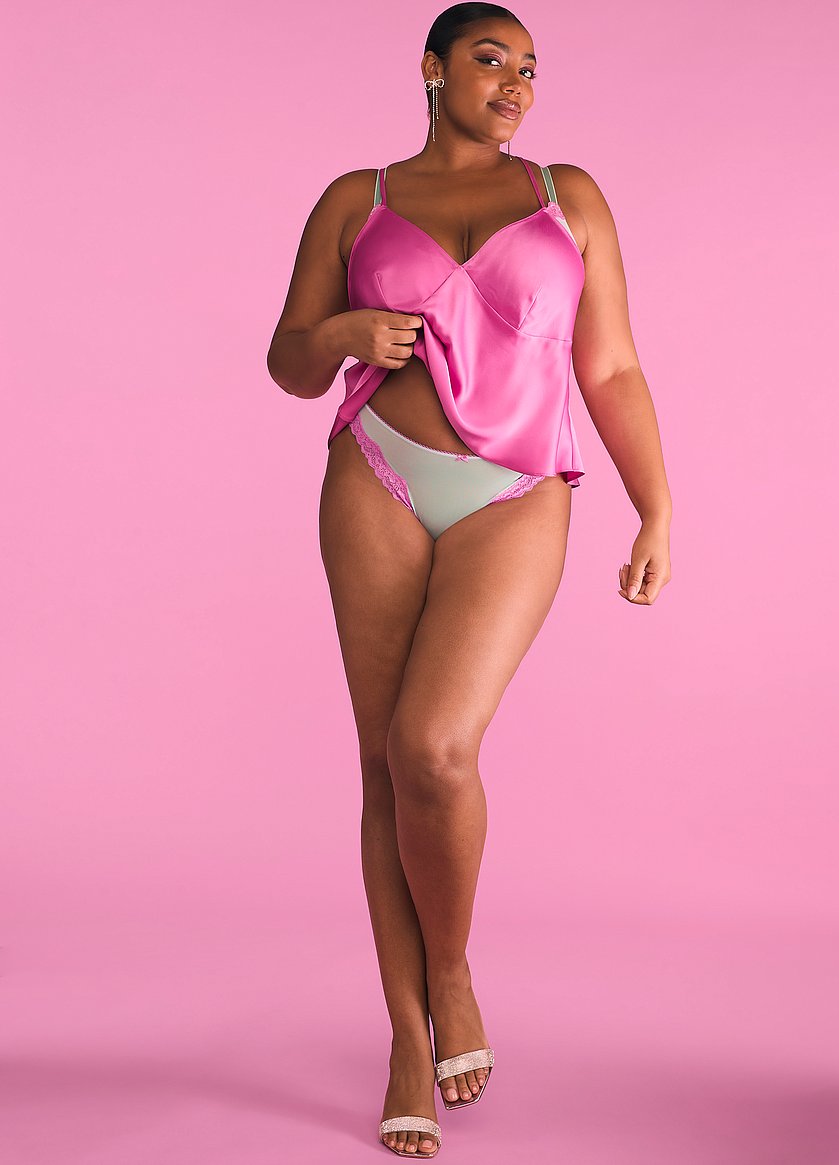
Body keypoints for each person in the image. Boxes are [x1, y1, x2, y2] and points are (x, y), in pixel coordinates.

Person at [266, 3, 672, 1156]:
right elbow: (288, 358)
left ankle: (450, 971)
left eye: (530, 68)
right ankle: (408, 1035)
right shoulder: (356, 198)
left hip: (516, 490)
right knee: (380, 763)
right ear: (433, 69)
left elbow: (610, 364)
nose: (516, 84)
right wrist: (343, 333)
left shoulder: (564, 195)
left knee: (434, 748)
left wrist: (655, 504)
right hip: (375, 477)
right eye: (491, 60)